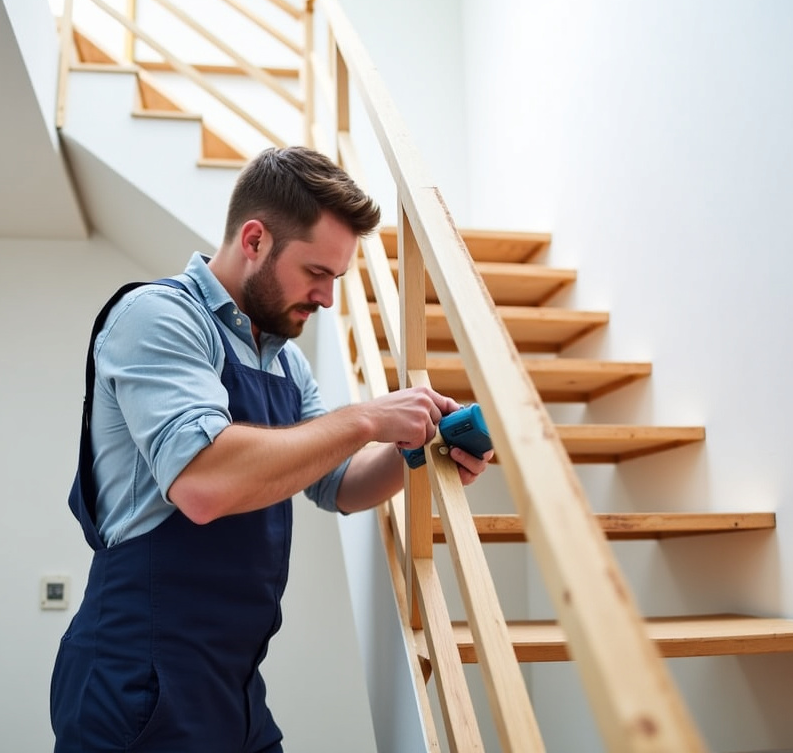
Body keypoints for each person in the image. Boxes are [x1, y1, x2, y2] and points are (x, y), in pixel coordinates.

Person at [50, 146, 491, 753]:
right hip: (139, 675)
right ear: (254, 240)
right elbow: (203, 485)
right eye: (317, 273)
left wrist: (414, 449)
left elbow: (340, 484)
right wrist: (365, 416)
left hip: (233, 682)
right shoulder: (159, 316)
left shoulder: (283, 360)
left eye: (336, 279)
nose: (329, 299)